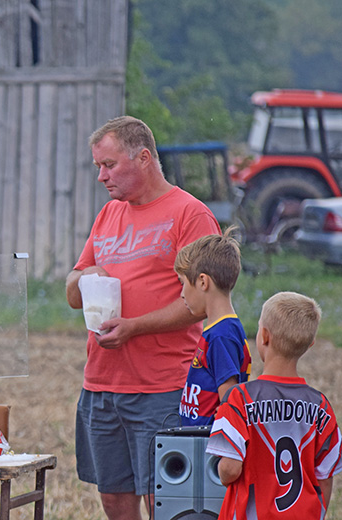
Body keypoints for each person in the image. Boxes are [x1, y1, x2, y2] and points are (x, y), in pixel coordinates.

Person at [65, 115, 221, 520]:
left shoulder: (191, 215)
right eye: (98, 166)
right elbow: (71, 289)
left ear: (145, 157)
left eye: (109, 165)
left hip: (162, 387)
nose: (101, 176)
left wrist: (134, 327)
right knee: (115, 500)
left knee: (166, 502)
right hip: (101, 383)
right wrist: (84, 279)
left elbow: (204, 302)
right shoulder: (109, 215)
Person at [207, 291, 342, 518]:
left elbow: (230, 468)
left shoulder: (239, 398)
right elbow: (325, 477)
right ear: (310, 344)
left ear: (264, 336)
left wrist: (222, 471)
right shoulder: (322, 407)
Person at [174, 228, 251, 426]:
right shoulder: (219, 330)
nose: (181, 294)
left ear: (202, 282)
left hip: (208, 445)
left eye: (182, 283)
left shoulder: (221, 335)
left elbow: (229, 399)